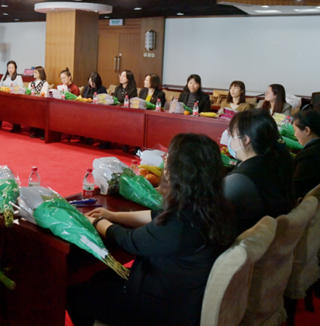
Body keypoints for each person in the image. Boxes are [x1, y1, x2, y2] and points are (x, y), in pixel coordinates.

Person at [67, 134, 235, 326]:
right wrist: (113, 216)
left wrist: (97, 223)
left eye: (168, 158)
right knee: (100, 276)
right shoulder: (212, 205)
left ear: (180, 171)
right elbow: (157, 215)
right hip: (181, 292)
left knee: (75, 293)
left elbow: (128, 240)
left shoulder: (180, 225)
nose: (164, 163)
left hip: (159, 308)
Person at [224, 109, 295, 233]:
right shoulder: (276, 160)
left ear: (246, 140)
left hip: (245, 240)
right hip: (269, 236)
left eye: (232, 135)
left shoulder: (239, 180)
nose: (230, 140)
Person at [0, 61, 23, 133]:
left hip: (13, 98)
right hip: (3, 96)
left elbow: (21, 88)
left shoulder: (18, 77)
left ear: (15, 68)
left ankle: (16, 126)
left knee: (13, 109)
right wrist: (2, 87)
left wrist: (12, 88)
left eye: (12, 68)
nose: (10, 69)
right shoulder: (4, 76)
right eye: (9, 68)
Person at [28, 66, 48, 139]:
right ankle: (35, 131)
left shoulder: (44, 83)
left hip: (41, 103)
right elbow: (28, 92)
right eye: (34, 72)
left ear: (40, 73)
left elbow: (44, 93)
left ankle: (42, 132)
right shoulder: (31, 83)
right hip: (33, 103)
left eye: (35, 72)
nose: (34, 74)